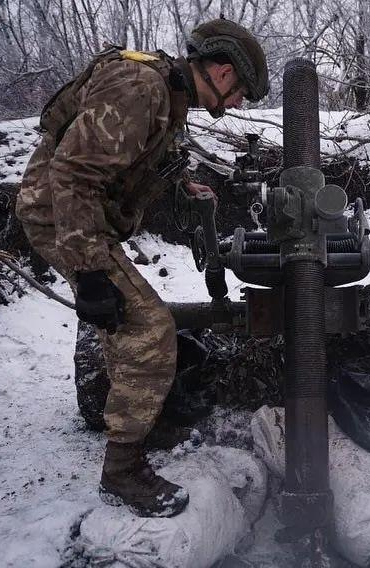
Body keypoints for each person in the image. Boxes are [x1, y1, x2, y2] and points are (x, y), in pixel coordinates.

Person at [15, 19, 268, 517]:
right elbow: (73, 174)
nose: (237, 105)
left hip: (82, 216)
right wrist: (89, 273)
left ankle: (139, 419)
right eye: (240, 93)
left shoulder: (166, 94)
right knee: (149, 329)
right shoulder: (140, 86)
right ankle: (123, 470)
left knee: (128, 325)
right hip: (62, 216)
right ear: (220, 72)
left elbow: (134, 159)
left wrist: (182, 186)